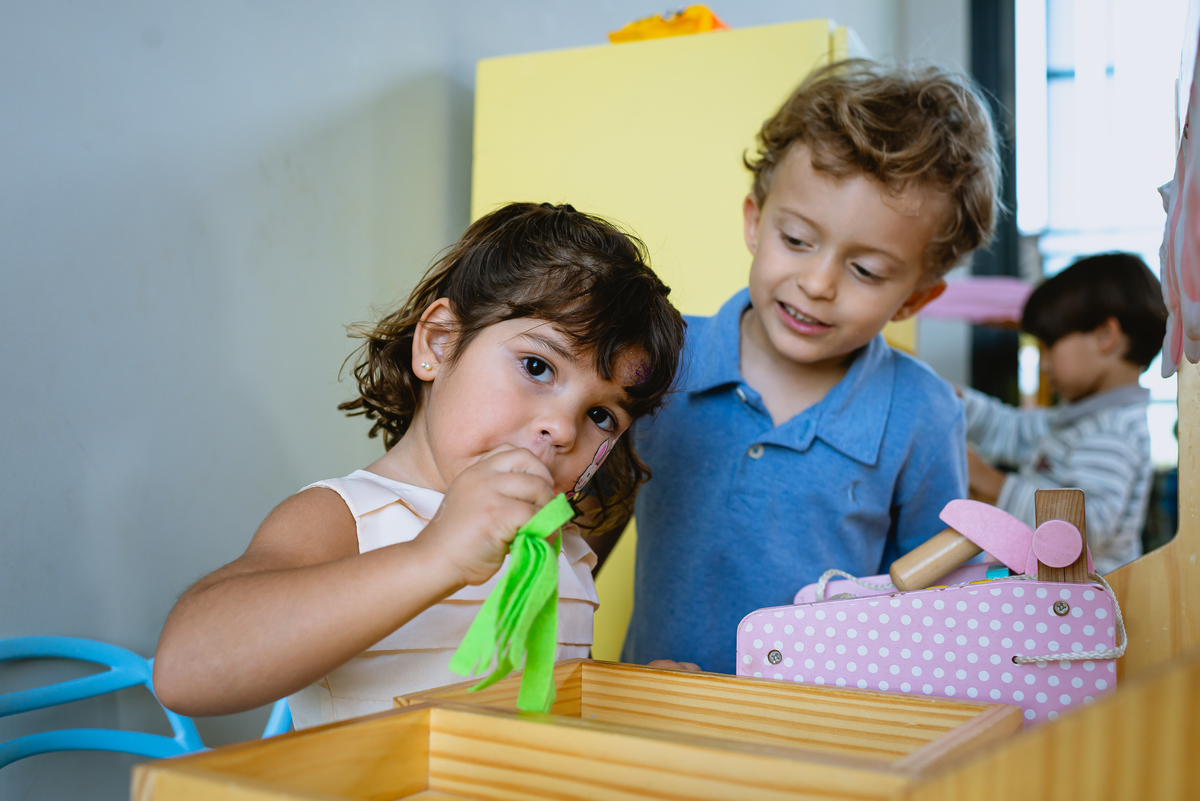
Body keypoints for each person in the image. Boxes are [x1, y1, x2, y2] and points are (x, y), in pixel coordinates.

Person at [153, 202, 686, 727]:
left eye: (601, 414)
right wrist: (435, 554)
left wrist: (625, 698)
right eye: (537, 366)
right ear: (439, 341)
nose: (564, 428)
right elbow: (185, 671)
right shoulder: (350, 518)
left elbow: (540, 706)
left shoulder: (564, 555)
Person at [618, 60, 1002, 675]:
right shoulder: (662, 353)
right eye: (796, 240)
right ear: (754, 220)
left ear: (914, 298)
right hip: (657, 716)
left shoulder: (924, 415)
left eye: (866, 271)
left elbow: (935, 608)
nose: (817, 283)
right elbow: (579, 524)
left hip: (825, 738)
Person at [962, 252, 1168, 575]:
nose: (1043, 364)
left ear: (1105, 337)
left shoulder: (1114, 432)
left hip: (1083, 611)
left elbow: (1081, 529)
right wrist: (954, 402)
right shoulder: (1074, 419)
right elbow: (1010, 429)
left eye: (1048, 346)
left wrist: (992, 484)